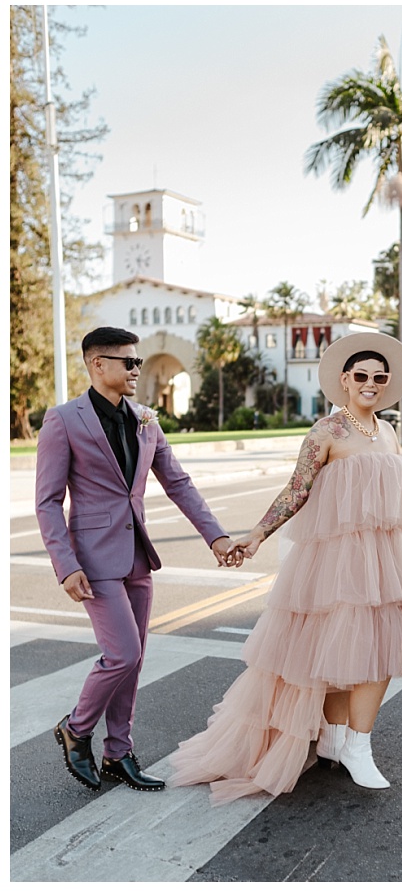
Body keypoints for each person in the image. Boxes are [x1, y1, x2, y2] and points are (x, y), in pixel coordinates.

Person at [169, 332, 402, 803]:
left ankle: (344, 740)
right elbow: (297, 491)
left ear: (387, 382)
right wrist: (256, 533)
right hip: (337, 559)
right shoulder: (327, 432)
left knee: (377, 646)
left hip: (386, 556)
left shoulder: (388, 432)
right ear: (345, 381)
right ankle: (352, 743)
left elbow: (401, 504)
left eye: (379, 377)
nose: (370, 384)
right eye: (361, 377)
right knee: (347, 649)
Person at [36, 326, 238, 793]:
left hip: (138, 557)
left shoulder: (146, 418)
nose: (135, 369)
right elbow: (47, 501)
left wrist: (217, 537)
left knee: (135, 658)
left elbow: (178, 483)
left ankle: (118, 753)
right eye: (127, 362)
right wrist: (65, 564)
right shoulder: (63, 420)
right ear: (97, 365)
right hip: (92, 559)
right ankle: (77, 728)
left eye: (138, 362)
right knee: (121, 654)